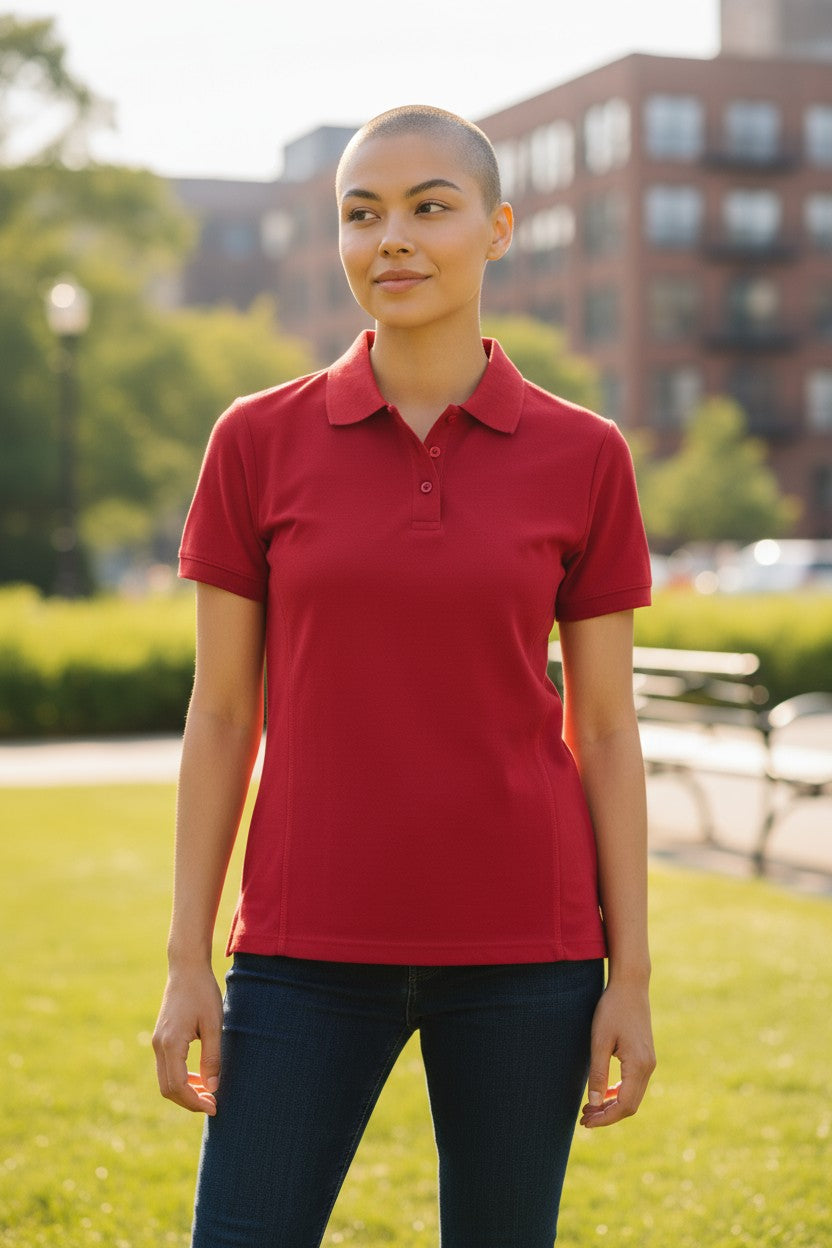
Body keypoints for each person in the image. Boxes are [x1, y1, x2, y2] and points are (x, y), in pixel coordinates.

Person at [152, 104, 656, 1247]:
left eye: (430, 208)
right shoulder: (256, 440)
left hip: (528, 953)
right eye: (362, 213)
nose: (393, 239)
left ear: (497, 228)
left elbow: (609, 731)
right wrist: (187, 961)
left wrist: (629, 976)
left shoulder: (585, 456)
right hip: (300, 949)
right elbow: (223, 713)